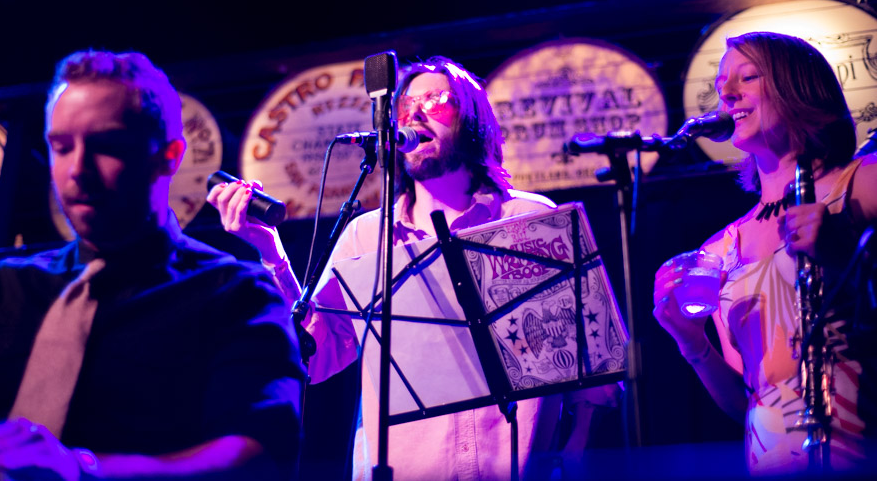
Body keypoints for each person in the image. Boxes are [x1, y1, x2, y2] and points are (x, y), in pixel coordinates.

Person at [209, 56, 619, 480]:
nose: (415, 113)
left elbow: (597, 358)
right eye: (405, 106)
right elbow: (318, 356)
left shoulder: (531, 220)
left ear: (472, 119)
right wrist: (271, 252)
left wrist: (577, 447)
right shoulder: (365, 236)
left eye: (436, 100)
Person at [0, 50, 305, 480]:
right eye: (61, 147)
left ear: (169, 155)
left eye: (107, 146)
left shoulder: (234, 293)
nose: (77, 169)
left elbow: (258, 455)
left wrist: (82, 470)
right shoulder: (10, 287)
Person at [653, 32, 877, 475]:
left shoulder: (863, 185)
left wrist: (841, 257)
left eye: (748, 77)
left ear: (798, 86)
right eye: (721, 87)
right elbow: (749, 400)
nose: (727, 94)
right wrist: (691, 342)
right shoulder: (719, 251)